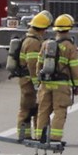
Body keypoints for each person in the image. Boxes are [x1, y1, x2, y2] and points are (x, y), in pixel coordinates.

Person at [34, 14, 78, 143]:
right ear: (69, 29)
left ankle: (40, 136)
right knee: (59, 110)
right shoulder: (70, 47)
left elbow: (39, 64)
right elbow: (74, 68)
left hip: (45, 82)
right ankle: (55, 138)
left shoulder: (46, 44)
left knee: (43, 110)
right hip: (61, 84)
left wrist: (39, 80)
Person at [14, 10, 52, 141]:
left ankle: (33, 134)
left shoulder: (31, 39)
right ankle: (24, 134)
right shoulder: (33, 43)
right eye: (45, 29)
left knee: (35, 108)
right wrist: (37, 82)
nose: (46, 31)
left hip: (27, 79)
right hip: (28, 80)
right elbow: (32, 64)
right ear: (41, 29)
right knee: (28, 108)